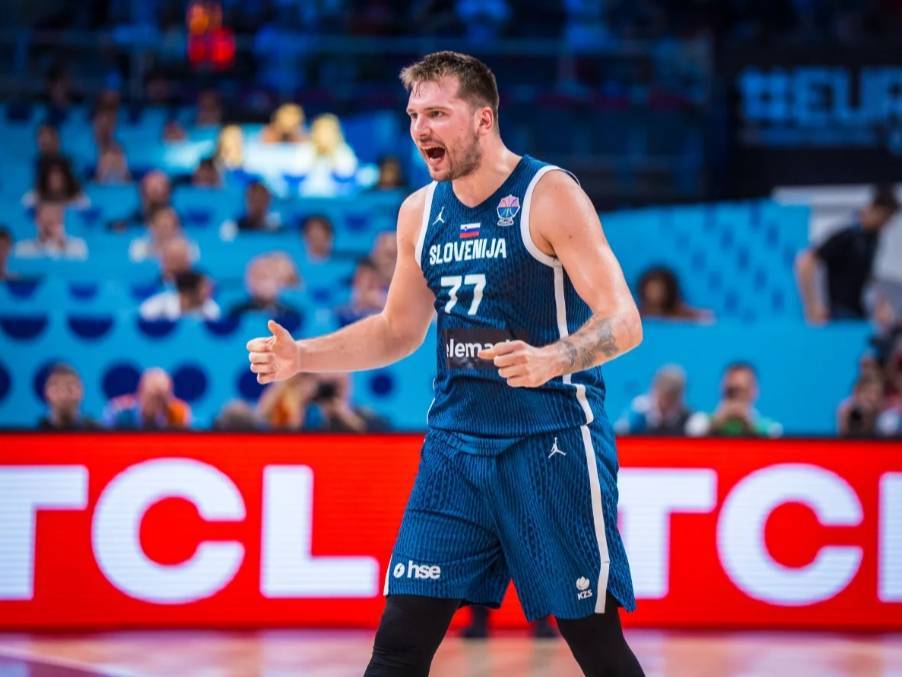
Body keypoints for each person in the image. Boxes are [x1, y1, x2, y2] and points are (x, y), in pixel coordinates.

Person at [247, 51, 645, 676]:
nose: (420, 129)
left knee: (593, 641)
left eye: (437, 114)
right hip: (455, 449)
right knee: (399, 642)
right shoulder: (419, 212)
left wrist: (552, 359)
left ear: (484, 119)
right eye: (413, 115)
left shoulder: (549, 194)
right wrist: (303, 357)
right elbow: (396, 331)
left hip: (550, 442)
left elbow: (624, 320)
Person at [797, 185, 900, 322]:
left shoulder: (873, 239)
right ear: (873, 209)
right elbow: (805, 262)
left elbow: (867, 277)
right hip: (839, 313)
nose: (885, 225)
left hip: (860, 313)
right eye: (884, 218)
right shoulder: (847, 236)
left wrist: (881, 304)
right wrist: (812, 305)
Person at [686, 362, 782, 438]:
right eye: (731, 391)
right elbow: (691, 433)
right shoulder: (701, 421)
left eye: (742, 391)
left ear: (754, 391)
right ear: (722, 388)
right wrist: (716, 422)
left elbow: (776, 436)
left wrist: (751, 425)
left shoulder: (768, 427)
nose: (736, 398)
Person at [103, 367, 191, 430]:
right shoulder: (119, 411)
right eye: (151, 397)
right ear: (140, 392)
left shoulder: (179, 413)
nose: (155, 403)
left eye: (160, 398)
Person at [615, 364, 692, 435]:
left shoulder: (689, 420)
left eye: (673, 397)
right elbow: (618, 434)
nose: (667, 402)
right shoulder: (638, 413)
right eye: (665, 396)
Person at [14, 201, 88, 260]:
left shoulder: (78, 246)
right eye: (47, 214)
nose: (52, 217)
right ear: (37, 219)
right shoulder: (22, 248)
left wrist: (61, 245)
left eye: (56, 214)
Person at [139, 270, 221, 321]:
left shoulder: (211, 308)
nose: (210, 291)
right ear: (188, 291)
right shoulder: (156, 305)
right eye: (205, 287)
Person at [38, 364, 100, 430]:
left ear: (81, 391)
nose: (63, 395)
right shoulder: (35, 433)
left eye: (70, 388)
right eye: (57, 389)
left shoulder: (99, 433)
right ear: (46, 393)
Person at [637, 266, 711, 321]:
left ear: (668, 291)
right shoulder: (638, 315)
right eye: (650, 290)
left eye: (657, 290)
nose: (653, 294)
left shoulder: (681, 312)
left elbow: (706, 317)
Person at [334, 258, 387, 327]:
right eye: (370, 281)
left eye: (375, 280)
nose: (374, 284)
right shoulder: (342, 297)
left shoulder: (385, 300)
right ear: (356, 279)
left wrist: (381, 306)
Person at [23, 155, 90, 209]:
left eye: (60, 175)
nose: (56, 179)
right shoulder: (32, 199)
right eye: (52, 176)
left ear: (68, 178)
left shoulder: (79, 200)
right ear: (45, 179)